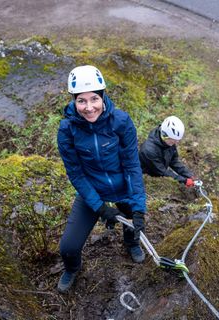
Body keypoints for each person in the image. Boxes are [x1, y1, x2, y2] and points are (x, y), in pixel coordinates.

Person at [56, 65, 147, 293]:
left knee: (133, 223)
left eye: (94, 99)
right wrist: (100, 207)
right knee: (68, 247)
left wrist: (138, 207)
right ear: (74, 101)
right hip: (92, 190)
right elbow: (76, 173)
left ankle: (131, 243)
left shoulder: (121, 122)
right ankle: (72, 268)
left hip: (123, 187)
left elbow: (132, 165)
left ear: (103, 96)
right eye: (81, 101)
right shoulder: (67, 130)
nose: (89, 108)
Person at [139, 116, 199, 187]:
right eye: (174, 140)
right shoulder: (149, 150)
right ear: (165, 136)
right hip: (147, 179)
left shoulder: (169, 142)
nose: (176, 143)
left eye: (177, 140)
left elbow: (174, 161)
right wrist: (184, 180)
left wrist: (189, 175)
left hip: (159, 173)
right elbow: (162, 171)